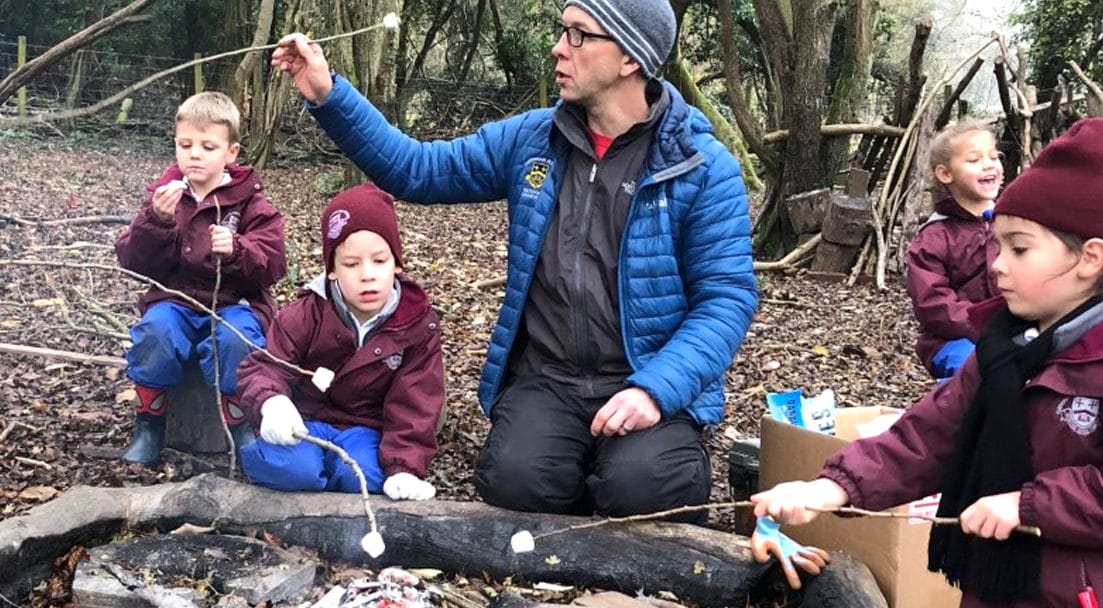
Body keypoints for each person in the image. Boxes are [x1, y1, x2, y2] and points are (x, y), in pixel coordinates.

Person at [269, 0, 756, 518]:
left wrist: (655, 391)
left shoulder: (701, 166)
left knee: (649, 489)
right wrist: (328, 94)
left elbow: (726, 299)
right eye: (561, 30)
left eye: (578, 36)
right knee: (514, 482)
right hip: (549, 379)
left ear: (629, 59)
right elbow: (417, 169)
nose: (558, 47)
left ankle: (633, 468)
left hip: (649, 377)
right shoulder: (533, 140)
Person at [752, 119, 1103, 608]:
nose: (996, 265)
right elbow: (926, 437)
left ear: (1091, 258)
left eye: (1018, 249)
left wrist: (1030, 504)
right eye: (997, 246)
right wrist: (830, 489)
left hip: (1095, 607)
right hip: (999, 591)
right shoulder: (1003, 353)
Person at [236, 184, 446, 501]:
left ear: (397, 263)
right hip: (306, 421)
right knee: (294, 468)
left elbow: (416, 401)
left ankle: (342, 475)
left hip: (365, 428)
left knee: (364, 475)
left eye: (379, 261)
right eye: (351, 264)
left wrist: (403, 465)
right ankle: (305, 469)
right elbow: (267, 365)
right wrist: (271, 402)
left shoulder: (416, 324)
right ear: (332, 270)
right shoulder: (308, 311)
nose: (367, 275)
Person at [114, 91, 287, 464]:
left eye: (208, 146)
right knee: (156, 332)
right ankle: (149, 423)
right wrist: (156, 223)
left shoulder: (252, 202)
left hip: (235, 303)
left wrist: (239, 250)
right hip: (175, 299)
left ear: (231, 152)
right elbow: (132, 262)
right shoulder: (164, 198)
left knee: (236, 340)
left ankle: (240, 426)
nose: (194, 154)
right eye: (185, 144)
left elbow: (274, 263)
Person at [907, 121, 1004, 379]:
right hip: (954, 340)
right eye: (974, 160)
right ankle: (959, 418)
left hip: (1012, 331)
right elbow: (932, 304)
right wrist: (985, 326)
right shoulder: (935, 237)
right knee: (975, 369)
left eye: (994, 156)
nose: (988, 164)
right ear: (945, 174)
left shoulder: (1013, 224)